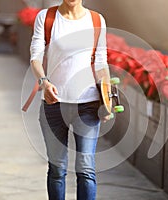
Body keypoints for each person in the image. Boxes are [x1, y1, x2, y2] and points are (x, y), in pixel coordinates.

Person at [29, 0, 110, 199]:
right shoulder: (46, 17)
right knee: (57, 169)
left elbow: (101, 62)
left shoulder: (96, 20)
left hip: (88, 106)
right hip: (53, 104)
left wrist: (107, 100)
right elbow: (35, 57)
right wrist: (44, 82)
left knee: (86, 170)